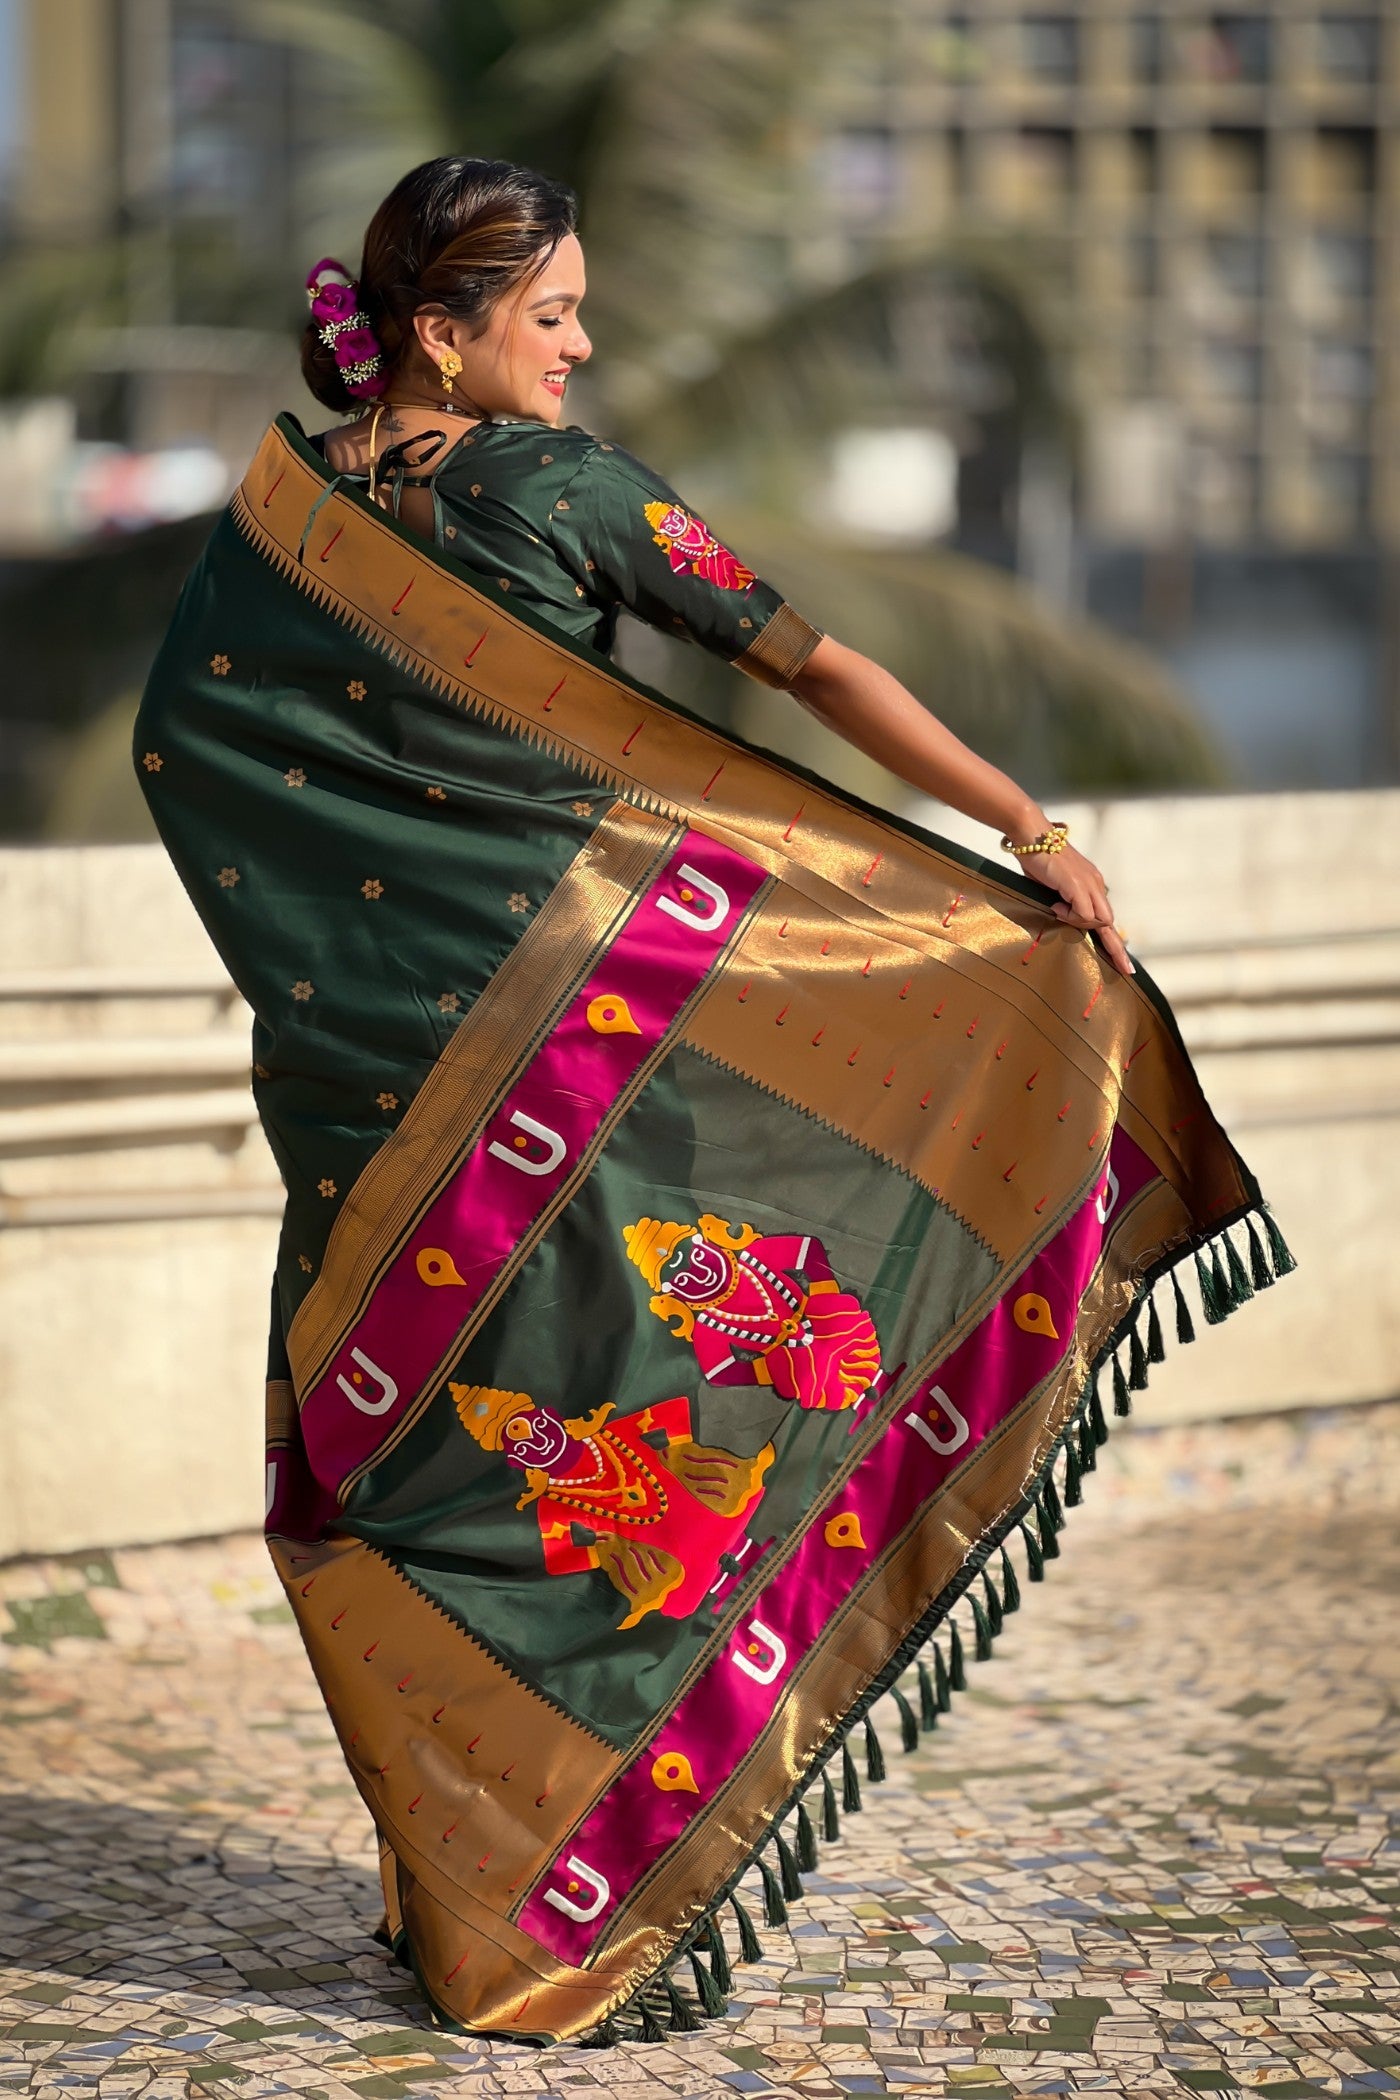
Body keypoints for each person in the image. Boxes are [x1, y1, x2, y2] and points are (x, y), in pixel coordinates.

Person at [135, 156, 1287, 2047]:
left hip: (375, 1094)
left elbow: (184, 740)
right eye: (555, 313)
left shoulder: (284, 506)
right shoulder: (564, 495)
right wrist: (1020, 830)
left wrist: (349, 960)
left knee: (412, 1466)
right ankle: (559, 1900)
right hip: (568, 1085)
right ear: (447, 328)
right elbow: (817, 665)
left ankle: (473, 1907)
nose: (583, 346)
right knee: (635, 1430)